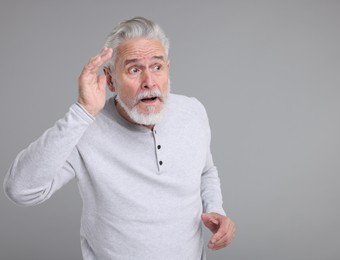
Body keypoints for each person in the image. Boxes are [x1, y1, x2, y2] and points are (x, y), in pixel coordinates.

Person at [3, 17, 235, 259]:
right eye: (134, 69)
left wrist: (216, 210)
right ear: (110, 79)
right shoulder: (85, 129)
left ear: (168, 68)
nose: (149, 82)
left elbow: (206, 171)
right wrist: (82, 112)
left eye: (157, 67)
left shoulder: (193, 111)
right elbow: (21, 190)